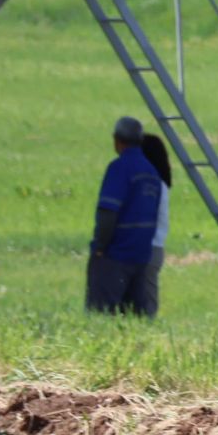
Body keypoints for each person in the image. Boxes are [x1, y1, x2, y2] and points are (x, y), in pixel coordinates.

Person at [88, 115, 161, 315]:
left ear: (117, 141)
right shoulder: (152, 173)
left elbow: (108, 212)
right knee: (134, 319)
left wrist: (100, 247)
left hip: (115, 255)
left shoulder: (119, 168)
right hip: (141, 256)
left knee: (100, 315)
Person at [140, 132, 172, 315]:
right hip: (156, 248)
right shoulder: (161, 185)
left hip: (148, 248)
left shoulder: (152, 186)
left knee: (146, 307)